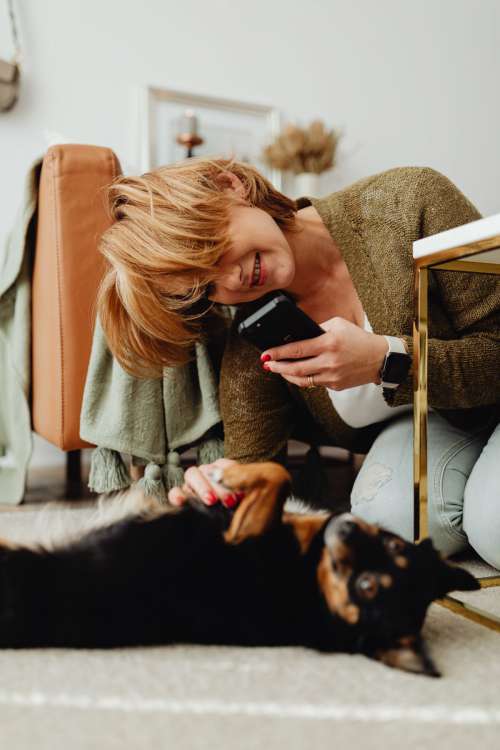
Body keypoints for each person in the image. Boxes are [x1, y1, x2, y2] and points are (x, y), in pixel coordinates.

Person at [97, 157, 500, 567]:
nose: (229, 280)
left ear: (230, 184)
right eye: (205, 288)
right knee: (390, 525)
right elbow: (255, 471)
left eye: (209, 247)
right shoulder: (256, 340)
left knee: (496, 527)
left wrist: (387, 361)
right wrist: (224, 489)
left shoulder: (408, 201)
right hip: (435, 423)